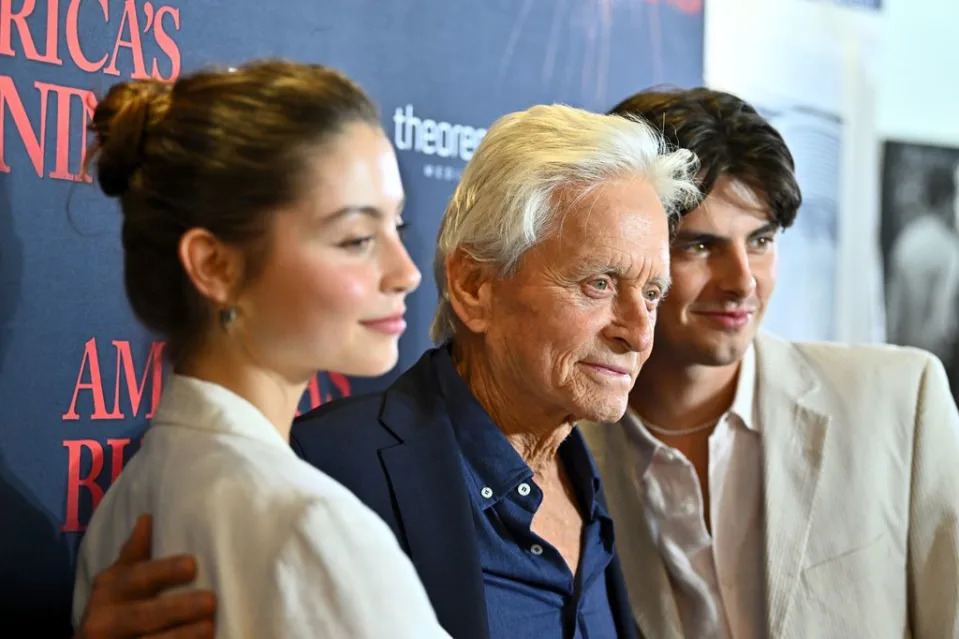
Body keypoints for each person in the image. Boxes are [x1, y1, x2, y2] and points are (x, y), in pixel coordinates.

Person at [74, 103, 700, 638]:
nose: (638, 332)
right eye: (597, 284)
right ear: (474, 285)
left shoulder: (601, 471)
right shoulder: (320, 474)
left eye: (651, 293)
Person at [73, 59, 446, 638]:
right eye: (356, 239)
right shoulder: (312, 529)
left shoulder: (122, 513)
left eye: (397, 225)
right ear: (215, 265)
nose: (406, 273)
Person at [579, 87, 959, 639]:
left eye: (760, 240)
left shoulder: (901, 398)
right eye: (700, 246)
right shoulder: (562, 453)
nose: (742, 282)